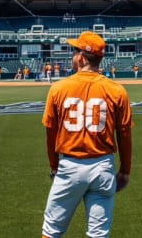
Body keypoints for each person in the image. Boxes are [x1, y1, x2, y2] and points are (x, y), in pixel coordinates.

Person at [41, 31, 134, 238]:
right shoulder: (117, 90)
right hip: (103, 166)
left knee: (51, 230)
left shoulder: (58, 88)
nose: (73, 56)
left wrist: (54, 166)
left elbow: (50, 133)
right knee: (98, 234)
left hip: (70, 166)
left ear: (81, 57)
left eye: (75, 51)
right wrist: (125, 170)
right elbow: (125, 134)